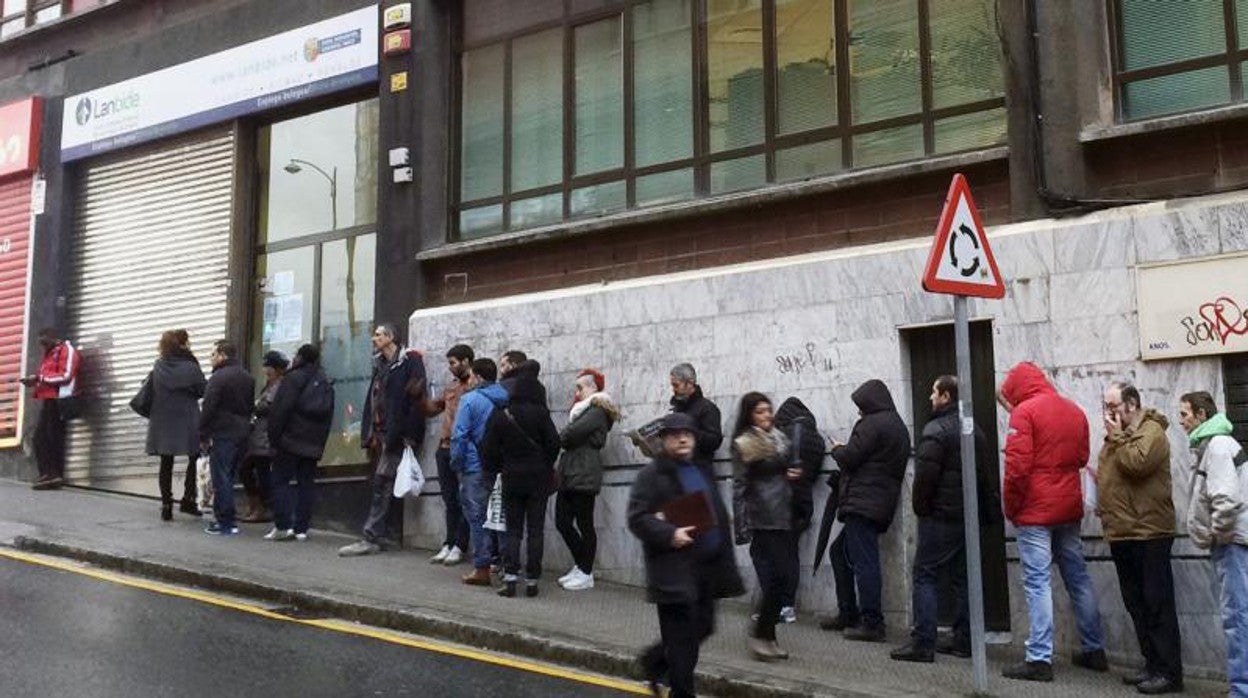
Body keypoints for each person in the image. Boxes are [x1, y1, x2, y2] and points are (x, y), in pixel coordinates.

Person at [999, 361, 1105, 682]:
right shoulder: (1073, 410)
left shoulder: (1024, 413)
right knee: (1077, 576)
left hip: (1035, 510)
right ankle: (1094, 648)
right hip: (1068, 507)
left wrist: (1012, 508)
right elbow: (1083, 458)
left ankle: (1039, 658)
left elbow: (1016, 468)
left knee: (1037, 581)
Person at [631, 412, 744, 698]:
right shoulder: (652, 475)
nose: (682, 438)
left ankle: (656, 660)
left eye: (688, 434)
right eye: (675, 434)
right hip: (674, 572)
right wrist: (669, 533)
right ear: (663, 440)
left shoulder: (701, 469)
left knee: (704, 627)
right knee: (683, 646)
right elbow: (637, 517)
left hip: (706, 569)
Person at [890, 375, 993, 663]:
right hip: (966, 519)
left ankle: (923, 642)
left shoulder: (936, 430)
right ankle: (964, 640)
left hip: (941, 517)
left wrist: (921, 508)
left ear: (946, 396)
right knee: (963, 578)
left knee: (925, 574)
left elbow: (925, 477)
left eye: (934, 392)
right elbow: (984, 477)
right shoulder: (976, 431)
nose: (931, 398)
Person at [1097, 382, 1183, 694]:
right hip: (1123, 531)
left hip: (1148, 532)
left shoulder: (1152, 432)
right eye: (1106, 406)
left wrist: (1116, 436)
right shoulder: (1118, 437)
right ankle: (1151, 663)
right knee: (1136, 603)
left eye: (1113, 406)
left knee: (1156, 603)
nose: (1109, 413)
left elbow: (1136, 464)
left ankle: (1169, 672)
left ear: (1131, 404)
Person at [829, 378, 910, 642]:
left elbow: (851, 458)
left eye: (860, 405)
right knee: (840, 553)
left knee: (864, 562)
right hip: (879, 501)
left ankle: (872, 622)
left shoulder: (871, 424)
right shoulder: (897, 425)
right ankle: (848, 612)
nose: (858, 411)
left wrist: (837, 449)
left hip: (863, 502)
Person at [1179, 391, 1247, 697]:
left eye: (1185, 414)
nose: (1181, 421)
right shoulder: (1213, 445)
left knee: (1237, 617)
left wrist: (1218, 535)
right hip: (1233, 542)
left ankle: (1241, 689)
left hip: (1232, 543)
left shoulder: (1217, 446)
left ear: (1201, 415)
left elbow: (1226, 499)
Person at [339, 324, 428, 557]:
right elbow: (377, 399)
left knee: (382, 483)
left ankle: (372, 536)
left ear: (391, 337)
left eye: (378, 335)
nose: (373, 338)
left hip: (396, 435)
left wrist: (409, 433)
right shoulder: (381, 365)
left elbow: (415, 400)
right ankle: (382, 534)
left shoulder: (409, 361)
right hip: (382, 434)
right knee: (383, 483)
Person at [731, 392, 800, 661]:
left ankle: (767, 637)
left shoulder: (779, 440)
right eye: (760, 412)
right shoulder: (746, 443)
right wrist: (741, 526)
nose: (767, 416)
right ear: (749, 415)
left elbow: (776, 472)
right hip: (762, 519)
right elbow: (739, 486)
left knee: (781, 582)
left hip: (782, 516)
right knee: (774, 582)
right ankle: (762, 635)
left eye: (768, 410)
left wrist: (788, 475)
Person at [482, 359, 560, 597]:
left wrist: (498, 468)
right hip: (538, 478)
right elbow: (554, 443)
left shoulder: (502, 414)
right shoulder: (541, 413)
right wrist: (545, 463)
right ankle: (533, 580)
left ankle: (511, 578)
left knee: (513, 529)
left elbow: (488, 449)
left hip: (512, 476)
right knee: (535, 530)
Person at [555, 369, 618, 592]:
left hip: (584, 472)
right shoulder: (583, 410)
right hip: (572, 471)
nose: (577, 392)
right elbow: (569, 435)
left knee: (584, 524)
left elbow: (568, 435)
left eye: (581, 387)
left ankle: (585, 571)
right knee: (562, 521)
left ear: (594, 388)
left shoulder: (597, 409)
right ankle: (582, 566)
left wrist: (566, 435)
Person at [265, 344, 333, 542]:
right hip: (312, 442)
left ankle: (282, 525)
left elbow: (280, 411)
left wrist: (274, 438)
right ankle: (301, 528)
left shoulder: (293, 378)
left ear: (301, 358)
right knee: (306, 484)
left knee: (280, 481)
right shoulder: (324, 380)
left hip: (289, 440)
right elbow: (328, 416)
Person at [451, 357, 508, 585]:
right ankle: (507, 565)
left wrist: (456, 464)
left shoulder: (470, 400)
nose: (470, 379)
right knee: (501, 516)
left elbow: (460, 435)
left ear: (479, 377)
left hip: (474, 466)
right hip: (501, 465)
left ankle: (482, 567)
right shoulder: (505, 398)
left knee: (477, 517)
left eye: (472, 375)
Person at [143, 329, 206, 520]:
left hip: (163, 418)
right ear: (182, 344)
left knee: (166, 461)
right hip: (187, 416)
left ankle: (166, 505)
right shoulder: (191, 366)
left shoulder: (159, 366)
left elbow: (150, 386)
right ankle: (188, 499)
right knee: (194, 457)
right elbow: (202, 390)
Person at [772, 397, 823, 623]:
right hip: (805, 500)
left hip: (787, 500)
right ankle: (785, 605)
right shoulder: (817, 437)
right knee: (790, 551)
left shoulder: (790, 434)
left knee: (779, 554)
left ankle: (782, 605)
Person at [424, 344, 474, 565]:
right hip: (444, 447)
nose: (450, 368)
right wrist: (418, 399)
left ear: (466, 361)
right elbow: (435, 408)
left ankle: (460, 545)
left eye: (453, 363)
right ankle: (449, 542)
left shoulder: (476, 385)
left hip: (463, 448)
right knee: (449, 499)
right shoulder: (451, 387)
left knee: (464, 499)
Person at [199, 341, 254, 536]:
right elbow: (249, 407)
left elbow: (208, 408)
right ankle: (227, 521)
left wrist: (202, 434)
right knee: (229, 477)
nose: (211, 359)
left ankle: (226, 522)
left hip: (223, 432)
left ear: (222, 355)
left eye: (213, 354)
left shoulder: (218, 378)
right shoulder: (247, 377)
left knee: (221, 478)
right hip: (242, 433)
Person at [20, 328, 80, 491]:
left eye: (44, 342)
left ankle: (53, 473)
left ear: (53, 337)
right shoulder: (50, 352)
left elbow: (66, 375)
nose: (42, 346)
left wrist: (41, 379)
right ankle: (48, 473)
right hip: (49, 399)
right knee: (40, 437)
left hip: (60, 399)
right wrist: (35, 380)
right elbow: (45, 375)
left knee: (51, 437)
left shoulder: (67, 350)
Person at [239, 351, 288, 524]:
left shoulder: (280, 385)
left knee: (260, 471)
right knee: (249, 469)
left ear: (276, 369)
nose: (265, 370)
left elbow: (268, 407)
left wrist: (255, 408)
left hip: (266, 436)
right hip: (259, 435)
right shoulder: (269, 385)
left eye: (268, 366)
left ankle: (263, 507)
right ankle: (256, 504)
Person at [668, 363, 722, 469]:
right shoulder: (677, 408)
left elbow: (714, 441)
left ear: (689, 383)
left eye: (676, 385)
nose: (673, 389)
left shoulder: (707, 408)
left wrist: (689, 433)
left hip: (698, 468)